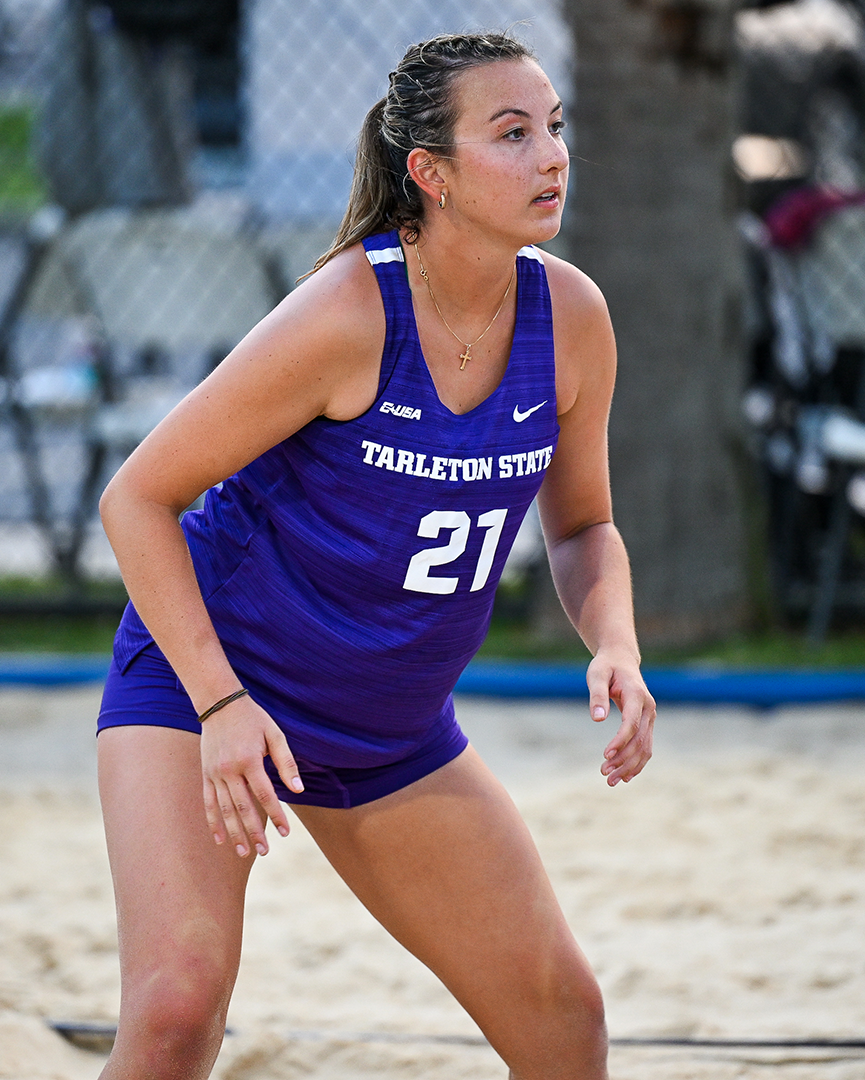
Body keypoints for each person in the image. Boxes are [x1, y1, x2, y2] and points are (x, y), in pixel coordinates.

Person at [93, 31, 656, 1078]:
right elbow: (137, 498)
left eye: (555, 129)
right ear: (430, 175)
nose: (551, 156)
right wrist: (219, 707)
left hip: (389, 730)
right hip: (215, 690)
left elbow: (582, 528)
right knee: (176, 1009)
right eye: (513, 133)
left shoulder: (571, 316)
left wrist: (613, 641)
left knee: (563, 1017)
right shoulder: (351, 311)